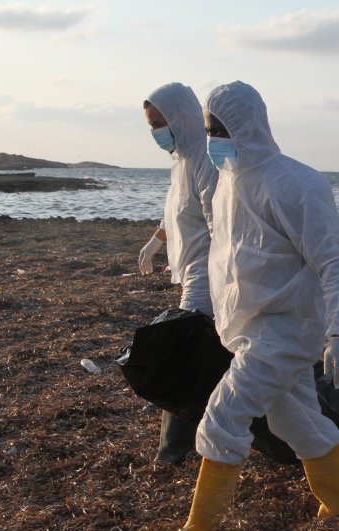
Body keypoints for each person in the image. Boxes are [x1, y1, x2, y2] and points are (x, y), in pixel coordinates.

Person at [148, 81, 339, 531]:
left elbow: (334, 263)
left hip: (286, 330)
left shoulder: (295, 183)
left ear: (249, 124)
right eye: (207, 128)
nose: (213, 137)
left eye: (220, 127)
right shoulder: (228, 181)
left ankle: (199, 529)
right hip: (248, 331)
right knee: (298, 423)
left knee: (224, 415)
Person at [139, 83, 218, 465]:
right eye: (151, 124)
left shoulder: (206, 161)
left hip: (210, 277)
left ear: (180, 117)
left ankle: (171, 453)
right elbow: (175, 210)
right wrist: (155, 242)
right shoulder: (182, 158)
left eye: (159, 122)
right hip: (192, 274)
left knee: (182, 354)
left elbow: (221, 223)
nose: (155, 131)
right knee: (220, 357)